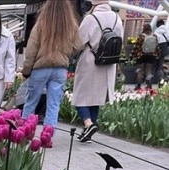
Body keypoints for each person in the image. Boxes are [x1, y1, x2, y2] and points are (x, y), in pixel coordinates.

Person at [20, 0, 80, 127]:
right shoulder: (71, 26)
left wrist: (26, 71)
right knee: (54, 105)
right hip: (60, 69)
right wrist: (66, 54)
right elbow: (79, 45)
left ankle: (24, 132)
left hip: (40, 68)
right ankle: (48, 136)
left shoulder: (40, 25)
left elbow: (31, 51)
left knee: (31, 102)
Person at [73, 0, 123, 143]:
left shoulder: (91, 18)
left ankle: (88, 124)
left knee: (80, 96)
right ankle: (88, 131)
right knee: (96, 98)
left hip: (90, 60)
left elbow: (78, 43)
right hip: (108, 63)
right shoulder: (117, 18)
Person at [131, 24, 159, 90]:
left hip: (141, 55)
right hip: (151, 55)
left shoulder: (141, 36)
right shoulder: (154, 36)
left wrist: (132, 56)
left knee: (140, 71)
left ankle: (138, 87)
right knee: (148, 71)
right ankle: (149, 86)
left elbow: (136, 47)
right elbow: (157, 47)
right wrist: (157, 55)